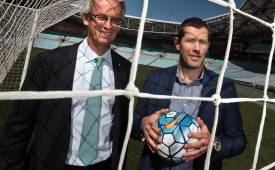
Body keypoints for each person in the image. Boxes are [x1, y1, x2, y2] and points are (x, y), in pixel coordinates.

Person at [0, 0, 131, 169]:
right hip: (54, 163)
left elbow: (123, 120)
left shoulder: (125, 69)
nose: (108, 25)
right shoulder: (49, 62)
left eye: (115, 20)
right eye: (101, 17)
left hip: (103, 164)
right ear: (86, 18)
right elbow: (19, 125)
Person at [132, 17, 246, 170]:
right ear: (177, 43)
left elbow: (238, 140)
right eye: (190, 40)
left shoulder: (223, 87)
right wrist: (142, 124)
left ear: (208, 46)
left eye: (203, 42)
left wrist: (214, 143)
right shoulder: (155, 78)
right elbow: (134, 121)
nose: (197, 48)